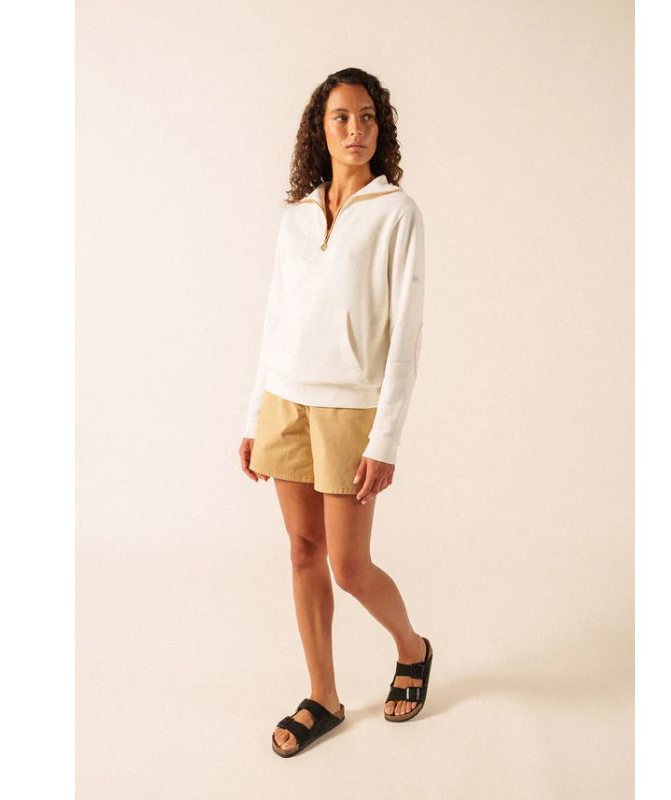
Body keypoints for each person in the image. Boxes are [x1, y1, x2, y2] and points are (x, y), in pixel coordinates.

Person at [238, 67, 433, 758]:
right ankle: (323, 695)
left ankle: (412, 648)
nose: (356, 130)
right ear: (319, 131)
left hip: (351, 409)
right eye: (341, 118)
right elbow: (275, 318)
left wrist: (386, 440)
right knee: (302, 551)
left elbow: (405, 335)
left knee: (349, 566)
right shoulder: (296, 217)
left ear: (382, 127)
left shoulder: (397, 214)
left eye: (367, 117)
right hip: (285, 401)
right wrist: (253, 415)